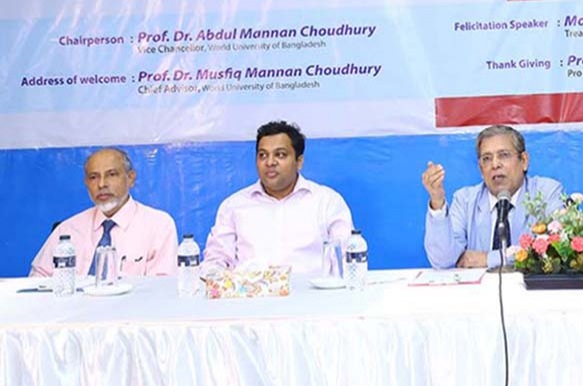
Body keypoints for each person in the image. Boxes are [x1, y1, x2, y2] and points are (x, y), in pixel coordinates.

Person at [203, 120, 353, 276]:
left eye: (280, 154)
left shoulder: (327, 202)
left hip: (313, 291)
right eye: (263, 155)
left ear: (299, 161)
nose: (270, 162)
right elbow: (215, 260)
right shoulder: (233, 206)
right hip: (250, 291)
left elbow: (346, 261)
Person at [423, 125, 564, 269]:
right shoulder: (465, 200)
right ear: (481, 168)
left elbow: (557, 249)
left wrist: (489, 259)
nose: (495, 164)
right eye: (487, 158)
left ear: (524, 161)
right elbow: (443, 260)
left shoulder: (546, 192)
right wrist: (437, 201)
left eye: (504, 155)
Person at [30, 148, 178, 277]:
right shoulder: (68, 229)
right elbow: (38, 279)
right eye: (93, 177)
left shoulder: (158, 226)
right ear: (86, 183)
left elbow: (160, 287)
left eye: (111, 174)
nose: (101, 184)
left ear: (131, 178)